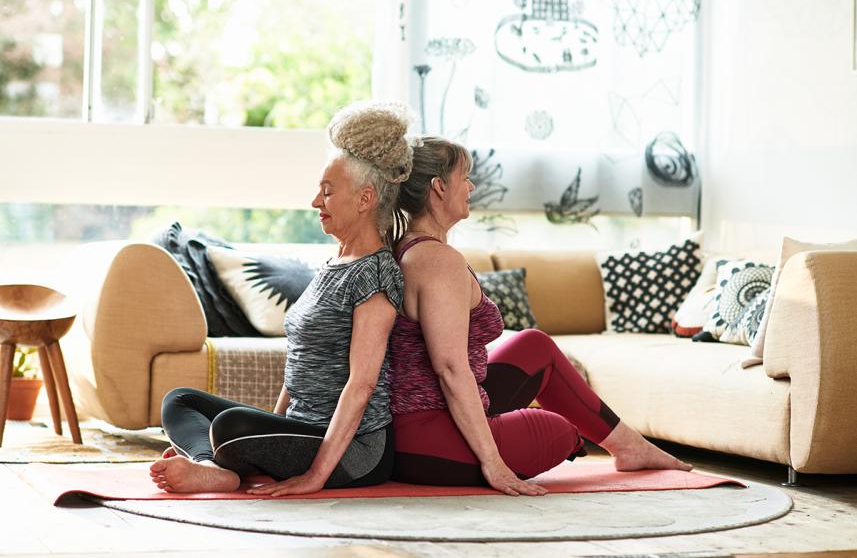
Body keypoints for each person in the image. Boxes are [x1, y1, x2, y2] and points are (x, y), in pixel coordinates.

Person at [387, 137, 693, 497]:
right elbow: (451, 370)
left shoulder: (414, 249)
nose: (471, 187)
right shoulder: (437, 261)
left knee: (534, 345)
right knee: (560, 432)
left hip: (427, 424)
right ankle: (617, 447)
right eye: (465, 177)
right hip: (429, 437)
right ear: (439, 187)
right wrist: (493, 462)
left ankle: (630, 447)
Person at [149, 102, 414, 496]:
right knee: (180, 400)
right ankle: (211, 467)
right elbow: (299, 363)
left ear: (365, 199)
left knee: (231, 426)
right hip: (302, 428)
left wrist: (314, 477)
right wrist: (268, 439)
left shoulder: (375, 274)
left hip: (354, 450)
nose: (315, 202)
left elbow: (362, 384)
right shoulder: (334, 264)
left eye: (328, 192)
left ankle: (220, 462)